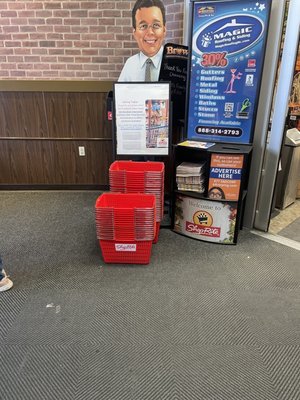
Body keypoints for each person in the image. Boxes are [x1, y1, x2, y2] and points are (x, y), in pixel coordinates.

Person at [118, 0, 166, 82]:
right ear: (135, 33)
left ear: (164, 30)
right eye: (143, 26)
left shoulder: (175, 64)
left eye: (156, 25)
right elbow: (120, 94)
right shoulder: (130, 64)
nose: (150, 32)